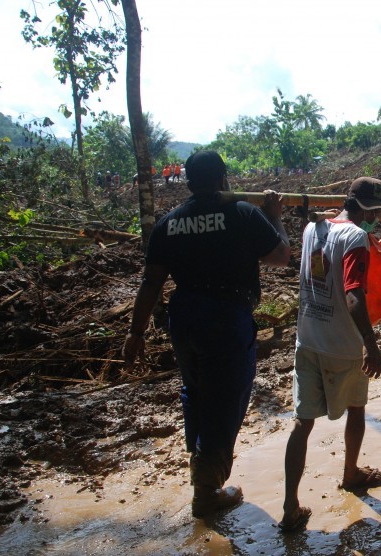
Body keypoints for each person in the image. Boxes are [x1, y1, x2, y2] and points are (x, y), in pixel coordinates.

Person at [122, 150, 291, 518]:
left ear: (187, 182)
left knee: (197, 392)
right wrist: (275, 218)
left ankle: (201, 463)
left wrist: (136, 333)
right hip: (226, 317)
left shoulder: (168, 224)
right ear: (224, 179)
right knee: (226, 397)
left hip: (184, 318)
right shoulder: (243, 214)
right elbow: (280, 256)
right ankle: (207, 491)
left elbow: (151, 282)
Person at [282, 177, 381, 532]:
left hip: (308, 339)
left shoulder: (314, 227)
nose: (377, 219)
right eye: (376, 212)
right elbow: (354, 294)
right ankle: (350, 473)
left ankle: (290, 505)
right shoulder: (356, 237)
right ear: (366, 208)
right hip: (342, 345)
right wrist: (371, 345)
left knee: (302, 422)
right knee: (356, 406)